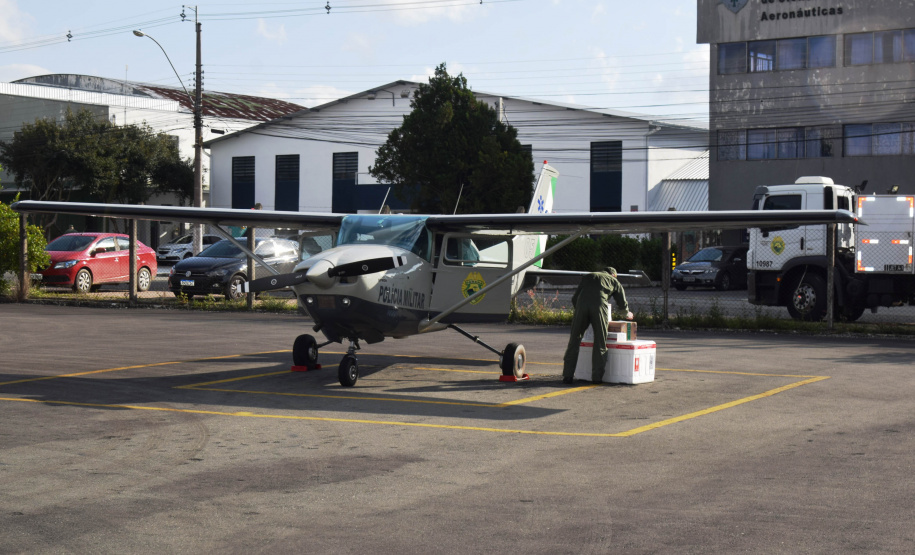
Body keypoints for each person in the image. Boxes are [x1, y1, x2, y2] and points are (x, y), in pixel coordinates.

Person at [562, 266, 633, 385]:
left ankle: (567, 376)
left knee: (574, 340)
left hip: (581, 305)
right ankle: (597, 378)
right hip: (599, 307)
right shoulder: (613, 280)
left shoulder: (588, 276)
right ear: (613, 275)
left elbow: (575, 298)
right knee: (600, 341)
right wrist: (626, 313)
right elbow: (621, 301)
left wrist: (581, 311)